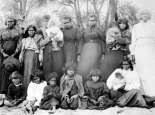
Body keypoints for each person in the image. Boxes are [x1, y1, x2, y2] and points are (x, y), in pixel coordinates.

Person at [130, 9, 155, 97]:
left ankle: (152, 93)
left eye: (146, 14)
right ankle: (142, 93)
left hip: (151, 50)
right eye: (142, 14)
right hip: (139, 50)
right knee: (141, 70)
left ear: (148, 16)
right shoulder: (136, 27)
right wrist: (132, 53)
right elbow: (133, 41)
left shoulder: (153, 26)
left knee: (151, 71)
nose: (144, 16)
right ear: (140, 16)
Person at [77, 14, 106, 81]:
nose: (92, 22)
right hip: (86, 50)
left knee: (95, 65)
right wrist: (78, 54)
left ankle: (95, 82)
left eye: (93, 20)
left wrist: (103, 53)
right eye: (90, 20)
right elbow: (81, 42)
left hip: (96, 49)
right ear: (88, 21)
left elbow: (103, 41)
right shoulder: (84, 30)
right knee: (85, 66)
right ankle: (86, 83)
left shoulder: (99, 30)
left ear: (96, 21)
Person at [19, 25, 40, 94]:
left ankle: (34, 92)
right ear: (27, 31)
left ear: (35, 31)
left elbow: (40, 48)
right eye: (29, 30)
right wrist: (21, 56)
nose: (31, 32)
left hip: (34, 55)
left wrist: (40, 57)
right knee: (26, 71)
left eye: (32, 30)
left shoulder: (37, 38)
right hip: (27, 55)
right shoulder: (24, 40)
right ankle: (25, 90)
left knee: (33, 71)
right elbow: (22, 50)